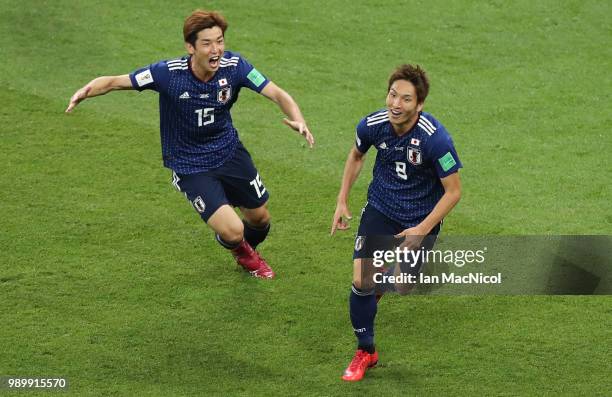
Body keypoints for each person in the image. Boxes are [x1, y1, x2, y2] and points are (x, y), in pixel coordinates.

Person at [65, 10, 314, 279]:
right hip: (190, 164)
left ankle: (238, 245)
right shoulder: (167, 74)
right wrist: (85, 91)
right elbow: (116, 82)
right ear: (190, 47)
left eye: (219, 41)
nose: (216, 49)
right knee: (233, 230)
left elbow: (276, 93)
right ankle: (243, 253)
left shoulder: (235, 67)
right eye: (207, 43)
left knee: (261, 220)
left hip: (229, 152)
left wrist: (298, 119)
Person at [330, 64, 462, 381]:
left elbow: (454, 192)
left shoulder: (435, 140)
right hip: (381, 208)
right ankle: (366, 350)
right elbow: (357, 155)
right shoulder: (373, 124)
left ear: (419, 105)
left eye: (405, 99)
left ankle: (382, 279)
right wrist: (342, 199)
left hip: (420, 218)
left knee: (403, 285)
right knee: (362, 281)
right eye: (392, 95)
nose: (395, 104)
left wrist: (422, 229)